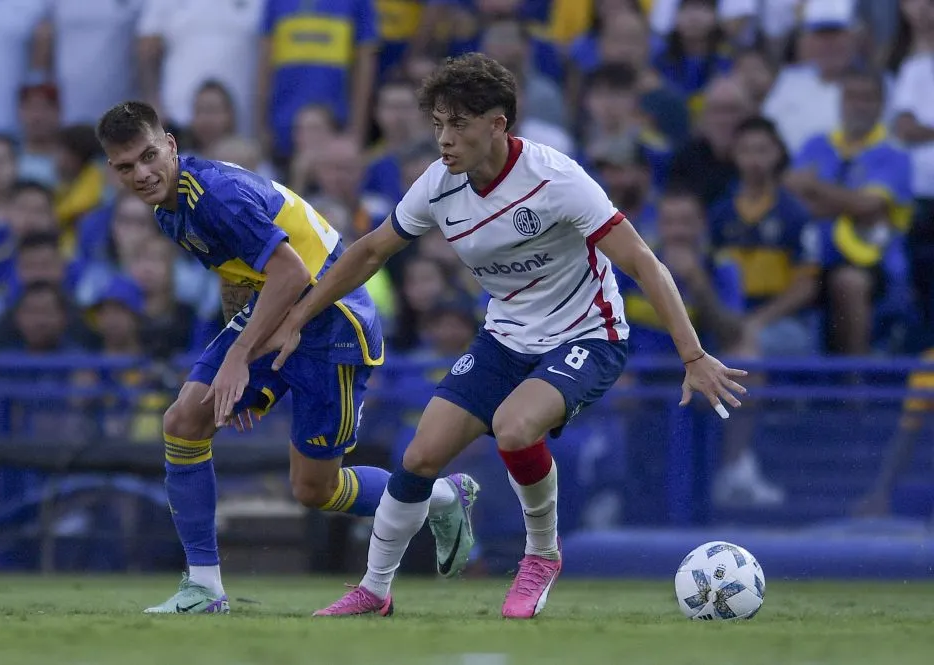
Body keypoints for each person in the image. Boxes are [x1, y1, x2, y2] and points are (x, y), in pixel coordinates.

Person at [263, 53, 747, 619]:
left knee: (514, 428)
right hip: (505, 338)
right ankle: (374, 590)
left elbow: (643, 262)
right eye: (438, 123)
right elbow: (369, 251)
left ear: (498, 124)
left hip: (587, 335)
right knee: (418, 456)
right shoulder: (438, 186)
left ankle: (541, 556)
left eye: (459, 124)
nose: (444, 138)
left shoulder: (556, 179)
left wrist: (692, 353)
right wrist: (298, 315)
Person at [93, 101, 477, 615]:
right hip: (278, 311)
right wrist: (249, 374)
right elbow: (239, 275)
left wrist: (239, 358)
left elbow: (291, 272)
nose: (141, 173)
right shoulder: (170, 209)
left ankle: (444, 497)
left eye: (148, 156)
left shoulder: (215, 196)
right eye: (125, 167)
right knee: (185, 421)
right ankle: (205, 587)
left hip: (334, 321)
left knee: (315, 488)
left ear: (170, 145)